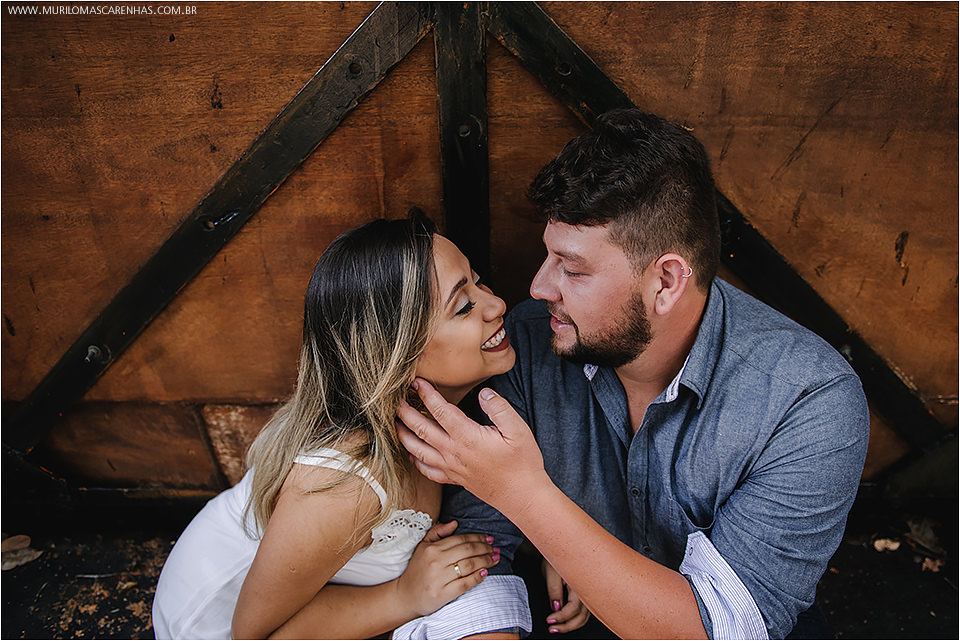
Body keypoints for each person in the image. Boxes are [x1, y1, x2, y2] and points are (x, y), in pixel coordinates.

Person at [397, 109, 870, 639]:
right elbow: (475, 558)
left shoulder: (807, 400)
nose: (537, 287)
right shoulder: (526, 345)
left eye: (573, 269)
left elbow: (723, 629)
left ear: (666, 281)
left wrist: (524, 494)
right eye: (546, 255)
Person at [152, 212, 536, 639]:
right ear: (397, 357)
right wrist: (404, 595)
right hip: (223, 617)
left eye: (478, 280)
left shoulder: (436, 416)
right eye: (463, 306)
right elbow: (253, 635)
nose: (497, 304)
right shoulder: (346, 485)